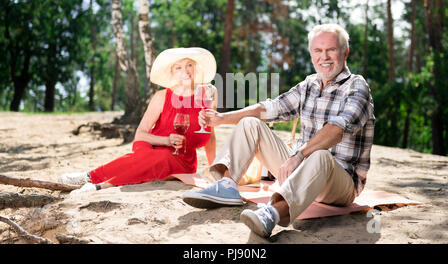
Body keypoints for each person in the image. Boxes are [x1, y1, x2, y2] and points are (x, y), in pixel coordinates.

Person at [182, 24, 375, 238]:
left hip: (341, 184)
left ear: (345, 52)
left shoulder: (357, 86)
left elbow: (339, 128)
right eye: (318, 51)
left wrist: (300, 154)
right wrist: (221, 119)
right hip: (300, 168)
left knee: (320, 155)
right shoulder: (309, 84)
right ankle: (227, 185)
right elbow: (268, 108)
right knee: (250, 123)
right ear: (311, 54)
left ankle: (272, 214)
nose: (324, 57)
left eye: (331, 50)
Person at [59, 47, 218, 194]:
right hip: (151, 147)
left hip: (184, 161)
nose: (185, 71)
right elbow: (140, 135)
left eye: (189, 65)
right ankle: (92, 178)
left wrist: (214, 168)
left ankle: (96, 182)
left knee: (163, 159)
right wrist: (166, 140)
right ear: (172, 73)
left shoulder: (207, 96)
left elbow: (210, 136)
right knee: (156, 158)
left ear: (195, 67)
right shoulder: (161, 97)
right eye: (179, 67)